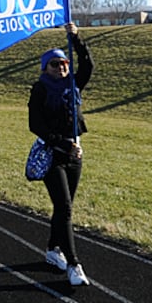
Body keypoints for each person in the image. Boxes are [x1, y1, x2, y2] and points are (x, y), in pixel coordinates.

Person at [29, 29, 93, 287]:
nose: (62, 68)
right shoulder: (40, 90)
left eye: (65, 63)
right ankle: (74, 264)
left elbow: (88, 64)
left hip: (74, 154)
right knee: (64, 206)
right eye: (55, 64)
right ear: (46, 68)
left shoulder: (73, 85)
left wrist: (76, 38)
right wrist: (61, 143)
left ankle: (53, 249)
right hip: (53, 154)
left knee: (63, 207)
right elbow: (35, 124)